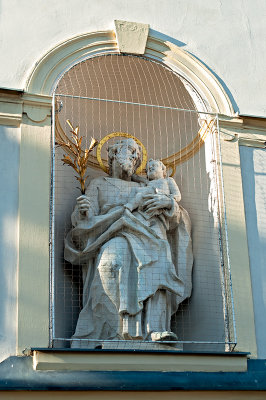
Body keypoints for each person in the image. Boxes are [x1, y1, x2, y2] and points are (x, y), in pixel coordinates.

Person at [64, 138, 193, 346]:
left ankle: (155, 329)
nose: (135, 157)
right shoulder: (98, 184)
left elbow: (176, 221)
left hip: (150, 235)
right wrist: (84, 211)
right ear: (114, 154)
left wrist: (168, 202)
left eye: (138, 155)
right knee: (111, 262)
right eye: (131, 151)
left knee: (158, 264)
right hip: (113, 232)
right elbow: (86, 225)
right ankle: (110, 332)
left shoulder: (146, 185)